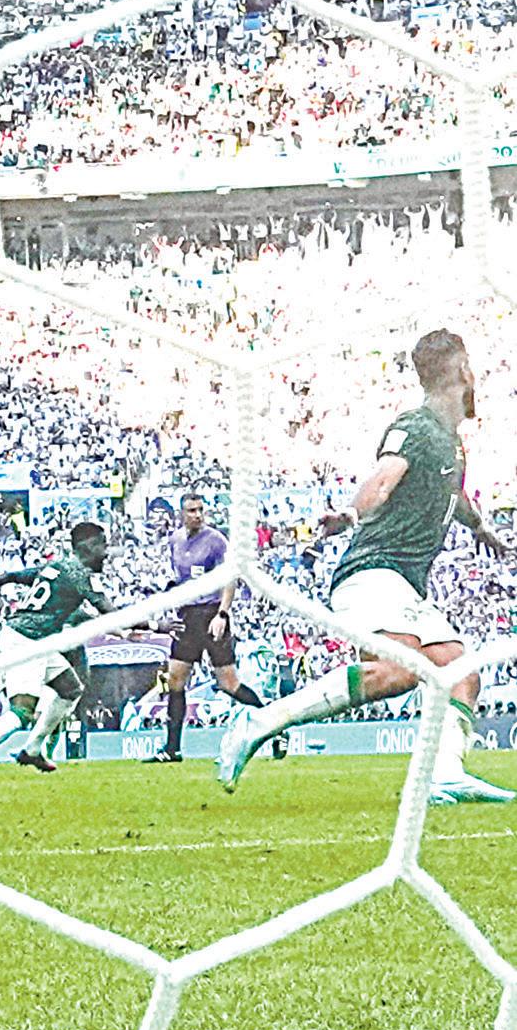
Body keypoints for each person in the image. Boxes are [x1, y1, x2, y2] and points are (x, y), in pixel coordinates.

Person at [218, 330, 513, 804]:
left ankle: (443, 775)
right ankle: (260, 721)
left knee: (461, 671)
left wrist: (480, 529)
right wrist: (351, 514)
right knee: (399, 671)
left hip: (402, 583)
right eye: (470, 367)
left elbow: (454, 494)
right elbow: (382, 480)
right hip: (372, 570)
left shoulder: (450, 442)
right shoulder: (416, 427)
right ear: (461, 372)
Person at [0, 520, 119, 772]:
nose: (106, 553)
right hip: (26, 640)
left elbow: (11, 576)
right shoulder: (81, 576)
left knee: (70, 689)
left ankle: (33, 750)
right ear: (89, 546)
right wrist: (156, 625)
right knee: (21, 712)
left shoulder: (55, 567)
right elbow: (112, 613)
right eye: (103, 545)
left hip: (33, 639)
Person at [150, 493, 267, 763]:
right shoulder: (175, 540)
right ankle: (172, 749)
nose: (197, 515)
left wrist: (222, 614)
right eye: (191, 510)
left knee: (228, 684)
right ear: (181, 514)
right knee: (175, 680)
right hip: (187, 615)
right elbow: (179, 576)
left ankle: (272, 726)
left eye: (200, 510)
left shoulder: (216, 541)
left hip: (211, 614)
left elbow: (230, 579)